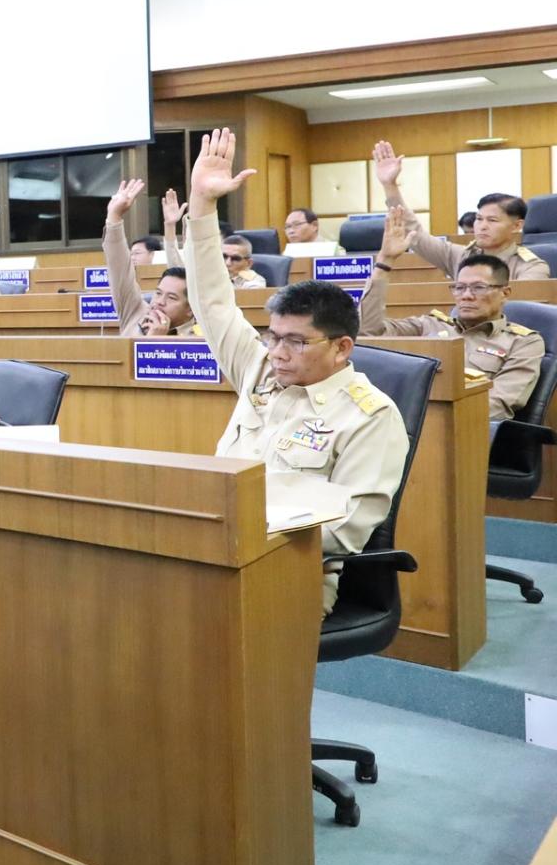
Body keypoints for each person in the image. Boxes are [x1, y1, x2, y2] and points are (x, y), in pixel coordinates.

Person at [186, 128, 408, 616]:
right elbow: (212, 303)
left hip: (287, 571)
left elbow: (343, 531)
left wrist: (237, 532)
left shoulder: (370, 416)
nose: (277, 352)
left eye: (295, 341)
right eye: (273, 337)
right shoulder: (260, 369)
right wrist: (202, 206)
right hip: (212, 548)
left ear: (342, 348)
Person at [361, 211, 544, 421]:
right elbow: (368, 332)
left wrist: (432, 421)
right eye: (459, 287)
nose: (466, 295)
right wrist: (384, 263)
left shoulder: (523, 342)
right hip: (407, 423)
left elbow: (499, 404)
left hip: (464, 429)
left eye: (479, 287)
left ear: (505, 293)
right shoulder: (430, 325)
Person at [374, 141, 551, 281]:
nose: (482, 226)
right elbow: (415, 235)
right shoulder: (461, 255)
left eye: (492, 220)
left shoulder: (531, 267)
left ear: (517, 225)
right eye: (479, 219)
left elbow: (520, 310)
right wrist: (390, 186)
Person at [102, 179, 199, 337]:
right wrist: (114, 215)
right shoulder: (136, 313)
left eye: (171, 297)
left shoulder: (198, 338)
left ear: (190, 309)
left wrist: (154, 342)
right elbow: (118, 268)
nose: (159, 302)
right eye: (158, 293)